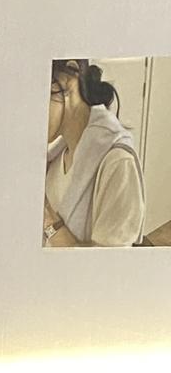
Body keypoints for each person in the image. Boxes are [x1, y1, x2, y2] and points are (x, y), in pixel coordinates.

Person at [44, 58, 146, 246]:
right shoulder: (57, 155)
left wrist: (49, 221)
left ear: (68, 78)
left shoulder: (117, 163)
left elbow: (108, 262)